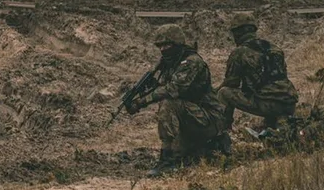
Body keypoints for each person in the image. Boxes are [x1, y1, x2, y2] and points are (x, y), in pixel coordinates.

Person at [126, 24, 227, 176]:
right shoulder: (171, 63)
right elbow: (163, 87)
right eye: (160, 46)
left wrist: (141, 102)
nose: (163, 49)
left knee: (168, 104)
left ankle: (167, 161)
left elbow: (172, 89)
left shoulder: (191, 62)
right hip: (194, 118)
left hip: (209, 119)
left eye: (167, 45)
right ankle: (194, 149)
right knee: (187, 155)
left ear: (177, 43)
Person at [217, 12, 298, 133]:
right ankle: (279, 121)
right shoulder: (275, 49)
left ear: (238, 33)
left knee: (223, 93)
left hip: (268, 104)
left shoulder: (240, 52)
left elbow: (231, 83)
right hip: (289, 103)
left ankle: (223, 132)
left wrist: (213, 91)